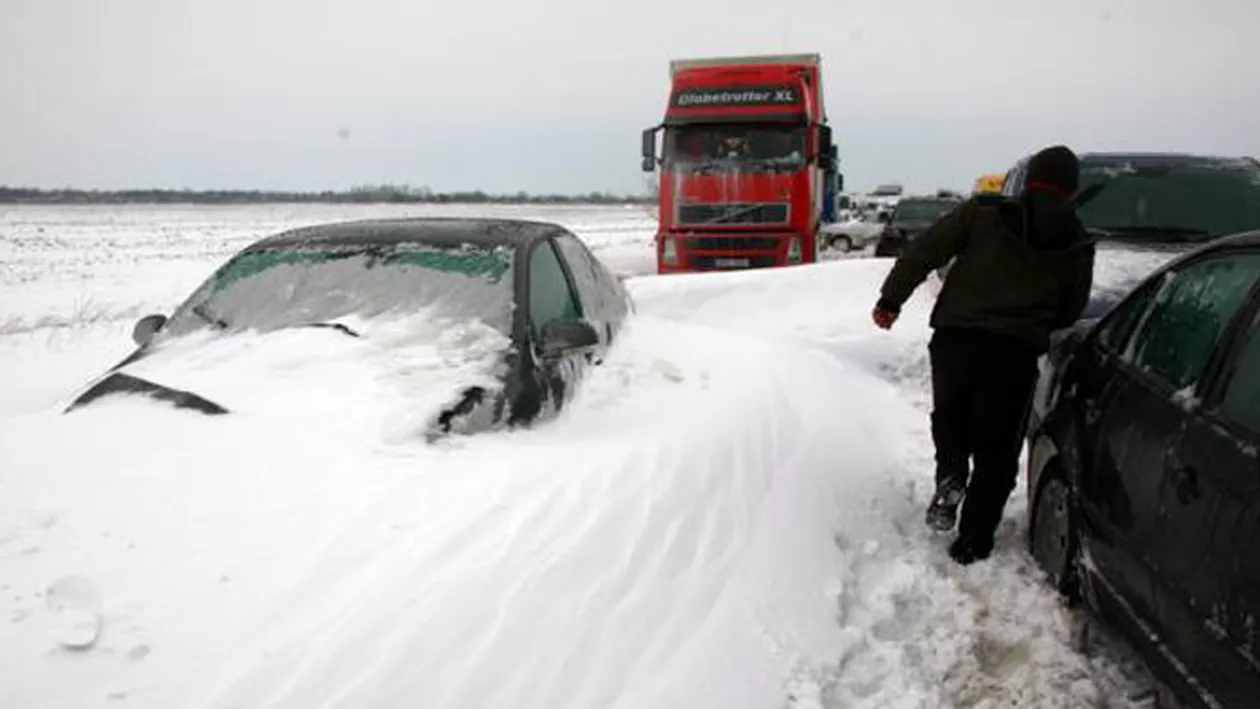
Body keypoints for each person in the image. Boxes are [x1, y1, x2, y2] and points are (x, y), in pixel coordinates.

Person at [870, 145, 1096, 565]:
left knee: (951, 418)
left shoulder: (983, 213)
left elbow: (924, 252)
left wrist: (890, 301)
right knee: (997, 449)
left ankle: (952, 472)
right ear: (1070, 189)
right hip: (1014, 352)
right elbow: (1072, 308)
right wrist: (1037, 320)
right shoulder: (1077, 241)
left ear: (1029, 181)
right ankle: (973, 541)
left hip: (956, 339)